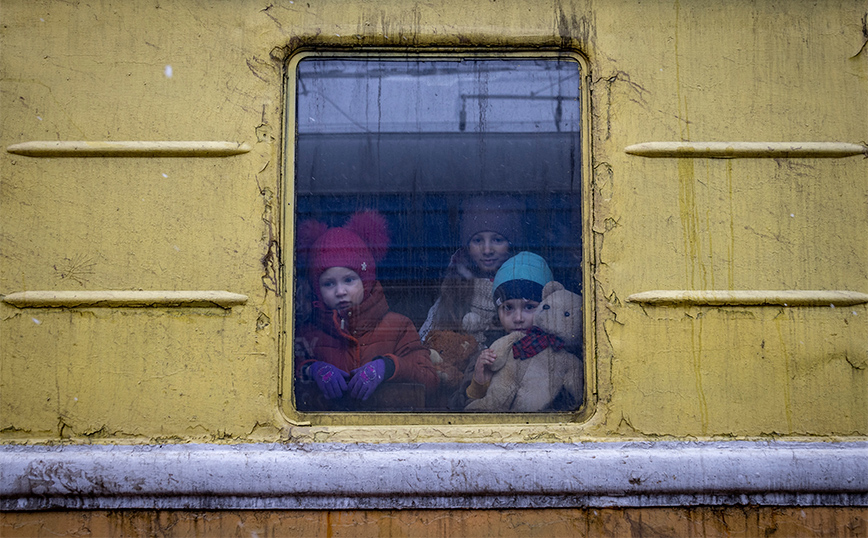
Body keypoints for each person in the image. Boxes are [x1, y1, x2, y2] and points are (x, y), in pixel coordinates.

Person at [295, 210, 438, 409]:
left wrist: (388, 366)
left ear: (366, 280)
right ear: (317, 289)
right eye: (329, 284)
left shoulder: (398, 326)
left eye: (349, 280)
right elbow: (281, 375)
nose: (340, 291)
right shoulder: (308, 332)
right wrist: (310, 369)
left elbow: (430, 380)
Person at [447, 251, 553, 410]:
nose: (518, 318)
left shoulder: (556, 352)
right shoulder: (487, 353)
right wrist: (478, 382)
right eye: (508, 308)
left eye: (529, 307)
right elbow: (456, 410)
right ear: (497, 311)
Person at [419, 196, 526, 348]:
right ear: (467, 245)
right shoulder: (457, 283)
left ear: (510, 245)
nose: (487, 250)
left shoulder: (523, 283)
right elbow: (430, 339)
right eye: (478, 240)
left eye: (497, 240)